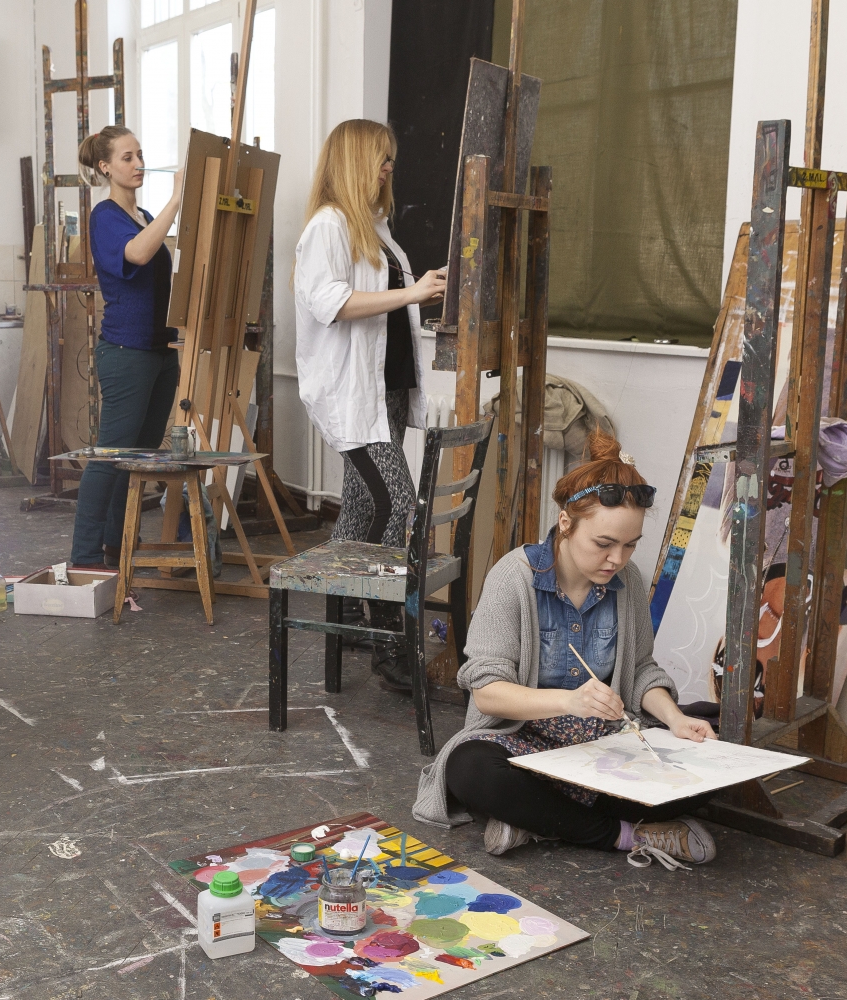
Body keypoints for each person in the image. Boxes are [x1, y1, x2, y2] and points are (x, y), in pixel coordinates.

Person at [414, 430, 721, 868]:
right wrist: (569, 701)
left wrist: (675, 719)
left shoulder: (627, 583)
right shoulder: (513, 578)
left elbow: (641, 669)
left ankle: (536, 819)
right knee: (470, 769)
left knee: (708, 751)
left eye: (630, 545)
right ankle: (624, 835)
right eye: (604, 544)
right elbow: (487, 693)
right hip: (521, 741)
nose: (617, 559)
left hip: (602, 746)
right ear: (565, 523)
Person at [293, 119, 445, 691]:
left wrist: (423, 286)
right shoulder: (328, 227)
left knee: (361, 510)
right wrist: (412, 291)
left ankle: (344, 622)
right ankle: (386, 639)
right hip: (350, 394)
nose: (389, 168)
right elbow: (330, 303)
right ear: (356, 161)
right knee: (397, 502)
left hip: (385, 392)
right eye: (381, 158)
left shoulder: (375, 228)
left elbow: (387, 305)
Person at [68, 125, 185, 571]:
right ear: (105, 167)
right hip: (126, 352)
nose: (138, 164)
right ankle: (84, 560)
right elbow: (137, 254)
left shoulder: (144, 215)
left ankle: (118, 550)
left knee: (136, 461)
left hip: (160, 351)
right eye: (127, 158)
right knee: (110, 458)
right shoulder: (106, 216)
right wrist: (177, 202)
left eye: (140, 156)